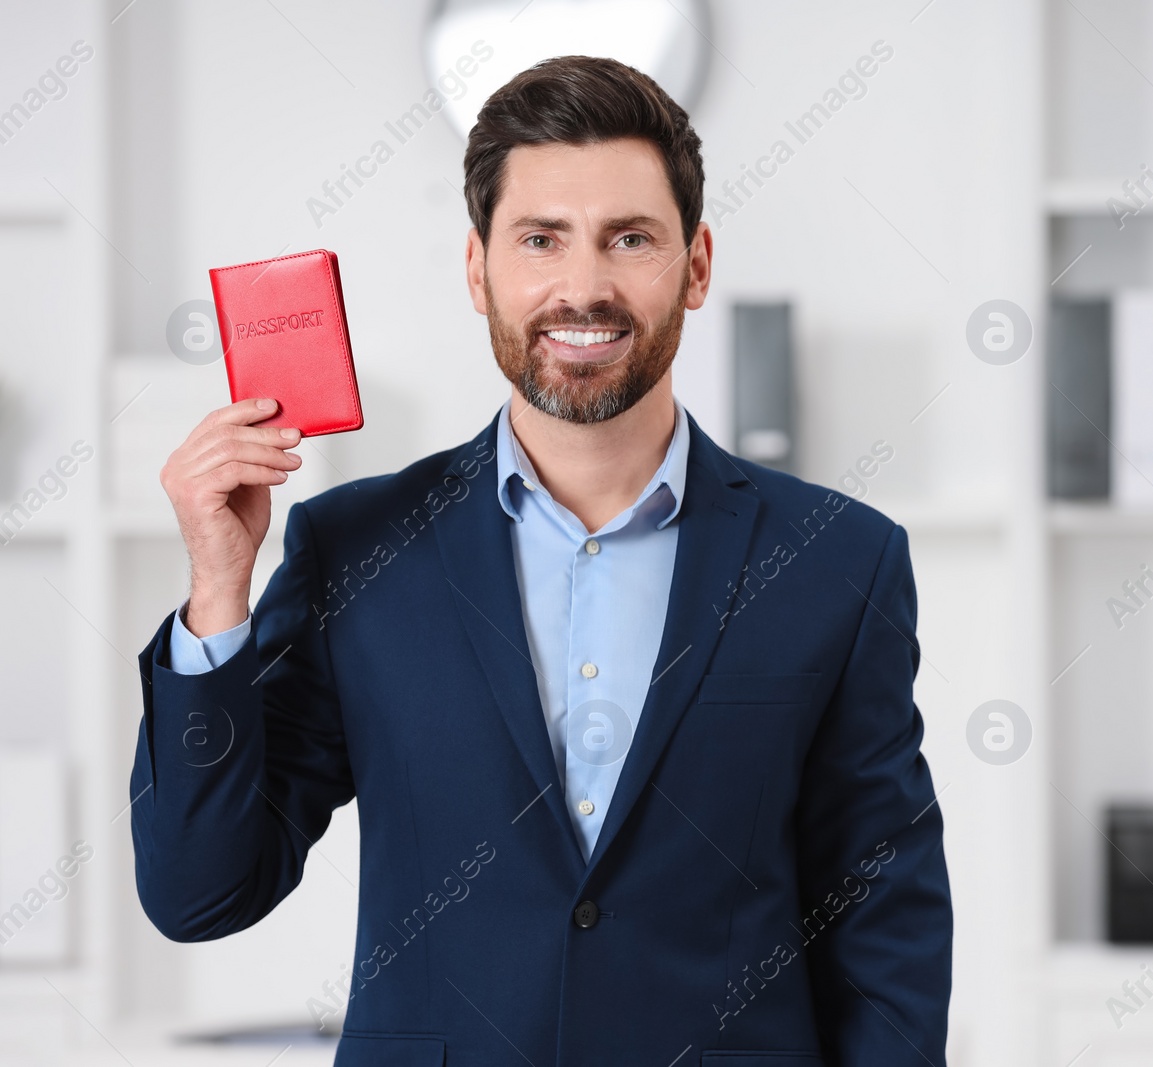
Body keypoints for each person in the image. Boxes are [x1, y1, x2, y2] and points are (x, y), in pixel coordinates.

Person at [131, 55, 952, 1067]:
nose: (583, 286)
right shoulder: (357, 548)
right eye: (540, 239)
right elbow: (200, 891)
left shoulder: (838, 558)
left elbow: (882, 914)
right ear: (478, 267)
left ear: (695, 265)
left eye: (630, 239)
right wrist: (219, 592)